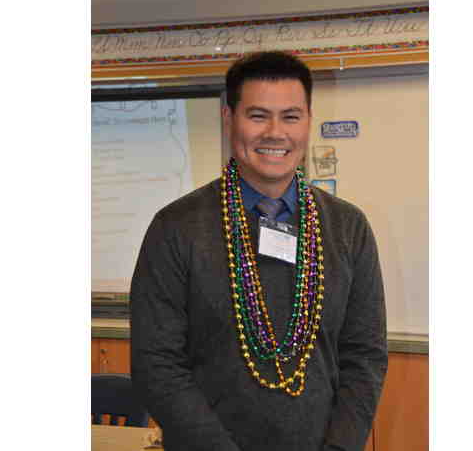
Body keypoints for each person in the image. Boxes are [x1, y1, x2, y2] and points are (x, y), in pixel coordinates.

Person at [130, 51, 387, 451]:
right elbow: (156, 365)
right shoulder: (175, 228)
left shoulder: (348, 228)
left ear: (308, 120)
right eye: (258, 115)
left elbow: (365, 356)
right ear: (229, 118)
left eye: (290, 116)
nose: (275, 132)